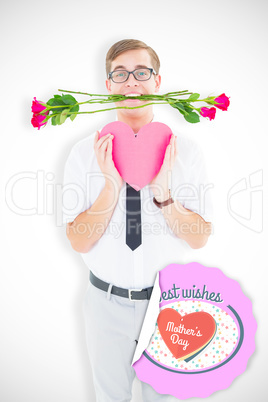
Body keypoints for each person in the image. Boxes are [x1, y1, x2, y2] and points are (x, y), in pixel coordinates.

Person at [62, 39, 213, 401]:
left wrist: (163, 194)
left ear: (157, 82)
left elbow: (199, 237)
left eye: (141, 72)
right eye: (120, 73)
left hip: (169, 305)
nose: (132, 81)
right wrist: (111, 187)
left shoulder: (185, 151)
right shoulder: (84, 153)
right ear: (108, 85)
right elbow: (79, 241)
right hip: (105, 303)